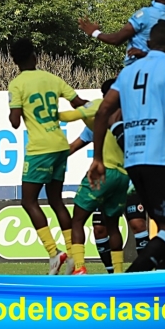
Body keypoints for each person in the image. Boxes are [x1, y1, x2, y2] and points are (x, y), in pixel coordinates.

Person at [89, 20, 165, 272]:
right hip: (160, 159)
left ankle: (159, 290)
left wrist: (97, 157)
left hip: (133, 161)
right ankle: (126, 283)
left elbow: (103, 111)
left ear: (148, 43)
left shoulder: (127, 73)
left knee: (162, 226)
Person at [8, 38, 88, 275]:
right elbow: (79, 102)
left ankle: (54, 254)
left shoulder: (16, 85)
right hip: (60, 146)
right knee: (56, 201)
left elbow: (14, 122)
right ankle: (74, 261)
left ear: (14, 61)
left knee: (28, 201)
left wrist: (17, 111)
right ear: (35, 56)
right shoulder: (52, 79)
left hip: (40, 149)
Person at [59, 78, 129, 275]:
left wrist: (47, 115)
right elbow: (76, 145)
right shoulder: (130, 114)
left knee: (77, 220)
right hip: (123, 176)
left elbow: (69, 116)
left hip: (103, 173)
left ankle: (79, 267)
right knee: (113, 225)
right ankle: (117, 272)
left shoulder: (99, 108)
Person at [78, 0, 165, 66]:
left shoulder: (146, 14)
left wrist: (94, 32)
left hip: (137, 65)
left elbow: (117, 40)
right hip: (158, 67)